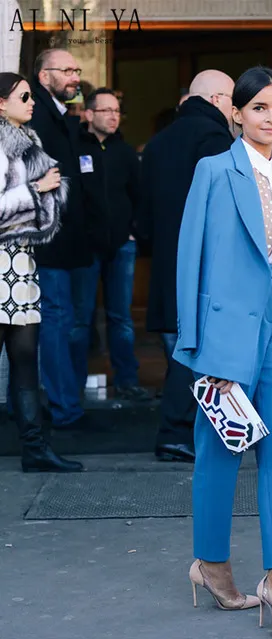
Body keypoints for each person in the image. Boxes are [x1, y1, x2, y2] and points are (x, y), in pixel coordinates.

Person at [174, 66, 272, 639]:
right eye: (260, 108)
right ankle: (212, 564)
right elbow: (190, 257)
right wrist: (194, 340)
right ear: (236, 112)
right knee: (220, 455)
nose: (271, 118)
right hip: (228, 333)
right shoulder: (213, 170)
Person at [138, 69, 235, 462]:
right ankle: (177, 432)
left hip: (168, 262)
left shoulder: (158, 143)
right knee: (194, 350)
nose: (236, 109)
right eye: (232, 99)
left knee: (185, 346)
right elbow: (224, 208)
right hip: (205, 262)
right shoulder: (215, 140)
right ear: (215, 100)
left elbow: (143, 214)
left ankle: (191, 430)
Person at [0, 72, 83, 472]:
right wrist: (35, 190)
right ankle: (35, 450)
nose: (32, 102)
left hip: (20, 266)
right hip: (3, 266)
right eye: (24, 96)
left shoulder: (28, 144)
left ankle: (35, 449)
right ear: (1, 102)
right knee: (20, 360)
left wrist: (44, 192)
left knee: (24, 362)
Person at [29, 48, 107, 431]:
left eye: (78, 70)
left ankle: (67, 402)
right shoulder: (37, 118)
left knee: (70, 322)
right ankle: (64, 408)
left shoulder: (63, 117)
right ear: (45, 77)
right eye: (68, 71)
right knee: (57, 322)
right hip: (49, 244)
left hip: (70, 242)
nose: (76, 77)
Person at [70, 88, 151, 401]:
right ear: (89, 115)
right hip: (85, 246)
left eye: (117, 111)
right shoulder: (74, 148)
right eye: (106, 111)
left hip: (121, 246)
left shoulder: (126, 152)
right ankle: (73, 385)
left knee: (122, 318)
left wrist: (133, 231)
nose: (114, 116)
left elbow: (141, 197)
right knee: (80, 319)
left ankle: (127, 381)